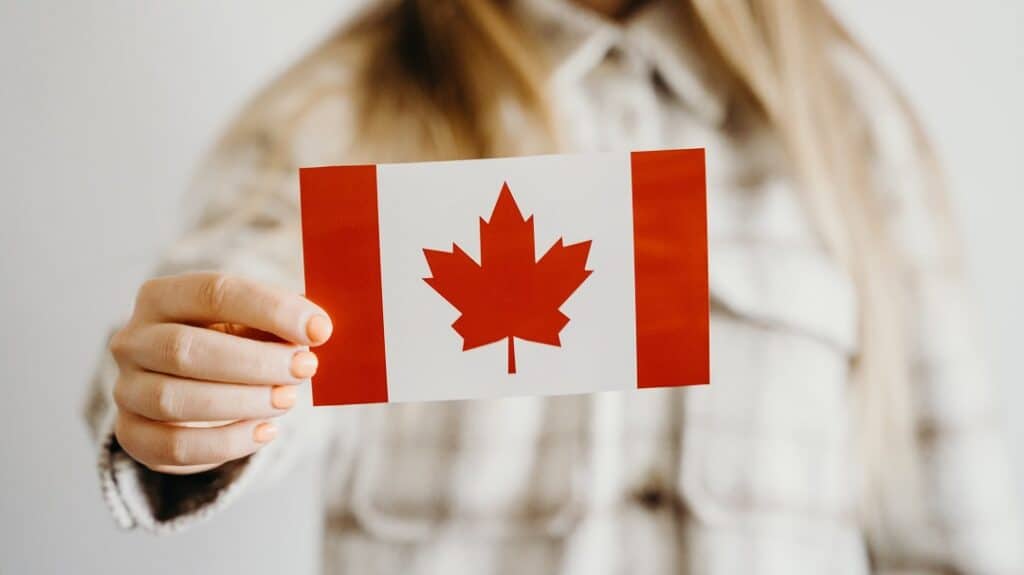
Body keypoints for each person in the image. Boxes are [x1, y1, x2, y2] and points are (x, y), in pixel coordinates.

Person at [85, 0, 1023, 573]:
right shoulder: (338, 112)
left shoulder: (851, 133)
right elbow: (241, 290)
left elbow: (954, 533)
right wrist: (198, 395)